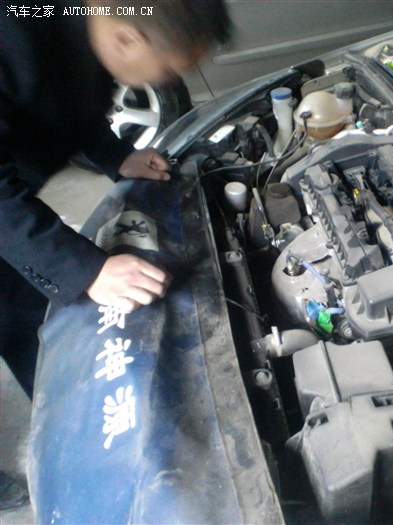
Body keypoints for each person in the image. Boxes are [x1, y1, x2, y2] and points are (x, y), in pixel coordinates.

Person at [0, 0, 231, 509]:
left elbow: (73, 100)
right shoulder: (14, 32)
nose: (167, 81)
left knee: (23, 308)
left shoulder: (82, 23)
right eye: (167, 70)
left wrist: (116, 156)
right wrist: (86, 268)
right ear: (127, 38)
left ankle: (70, 432)